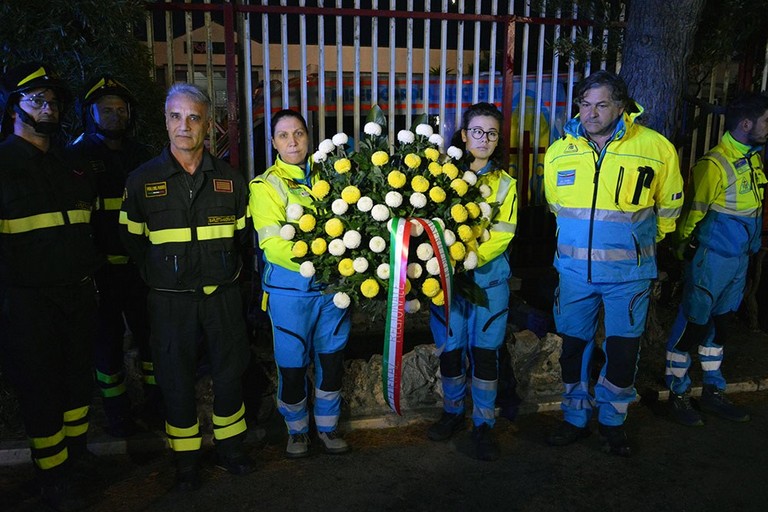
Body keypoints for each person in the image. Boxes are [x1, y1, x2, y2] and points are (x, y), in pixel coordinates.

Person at [119, 82, 254, 490]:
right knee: (175, 378)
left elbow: (244, 242)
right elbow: (132, 242)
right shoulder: (142, 181)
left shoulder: (230, 180)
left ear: (208, 125)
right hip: (169, 303)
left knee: (231, 374)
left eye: (194, 117)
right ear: (165, 121)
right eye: (176, 116)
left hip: (222, 297)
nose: (184, 126)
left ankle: (231, 450)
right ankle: (186, 460)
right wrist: (164, 275)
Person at [543, 70, 684, 456]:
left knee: (622, 353)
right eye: (585, 104)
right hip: (573, 274)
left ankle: (612, 422)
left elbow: (669, 206)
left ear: (622, 107)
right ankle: (574, 418)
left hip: (628, 276)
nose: (591, 113)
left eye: (601, 104)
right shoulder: (560, 151)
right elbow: (557, 207)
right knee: (574, 349)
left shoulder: (656, 148)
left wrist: (643, 244)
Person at [0, 63, 103, 511]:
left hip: (78, 294)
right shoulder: (3, 164)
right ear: (13, 108)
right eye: (36, 100)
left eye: (53, 101)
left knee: (78, 384)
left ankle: (76, 459)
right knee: (41, 389)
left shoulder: (71, 164)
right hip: (27, 302)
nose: (48, 108)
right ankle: (53, 475)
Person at [249, 109, 351, 458]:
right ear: (273, 142)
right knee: (292, 366)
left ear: (308, 137)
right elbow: (273, 245)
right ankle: (296, 431)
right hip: (290, 294)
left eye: (299, 133)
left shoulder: (335, 174)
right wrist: (324, 261)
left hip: (333, 291)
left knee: (332, 361)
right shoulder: (265, 186)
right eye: (283, 135)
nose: (292, 141)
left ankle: (328, 426)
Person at [665, 93, 768, 426]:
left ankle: (712, 392)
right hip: (711, 260)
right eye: (766, 121)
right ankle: (677, 395)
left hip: (738, 261)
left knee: (719, 329)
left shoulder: (753, 157)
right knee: (691, 330)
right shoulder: (715, 164)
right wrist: (683, 247)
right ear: (747, 124)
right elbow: (693, 214)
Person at [67, 76, 161, 437]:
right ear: (90, 113)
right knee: (105, 347)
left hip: (139, 270)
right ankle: (117, 415)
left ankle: (155, 405)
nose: (115, 116)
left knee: (149, 339)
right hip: (99, 272)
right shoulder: (75, 156)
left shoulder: (142, 156)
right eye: (106, 110)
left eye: (121, 110)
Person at [426, 102, 518, 461]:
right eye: (477, 131)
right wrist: (446, 262)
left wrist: (464, 257)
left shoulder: (505, 184)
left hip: (488, 284)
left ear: (498, 140)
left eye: (491, 133)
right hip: (447, 283)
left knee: (484, 355)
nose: (483, 139)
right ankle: (452, 412)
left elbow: (503, 234)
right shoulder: (440, 178)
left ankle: (483, 424)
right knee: (449, 351)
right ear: (464, 136)